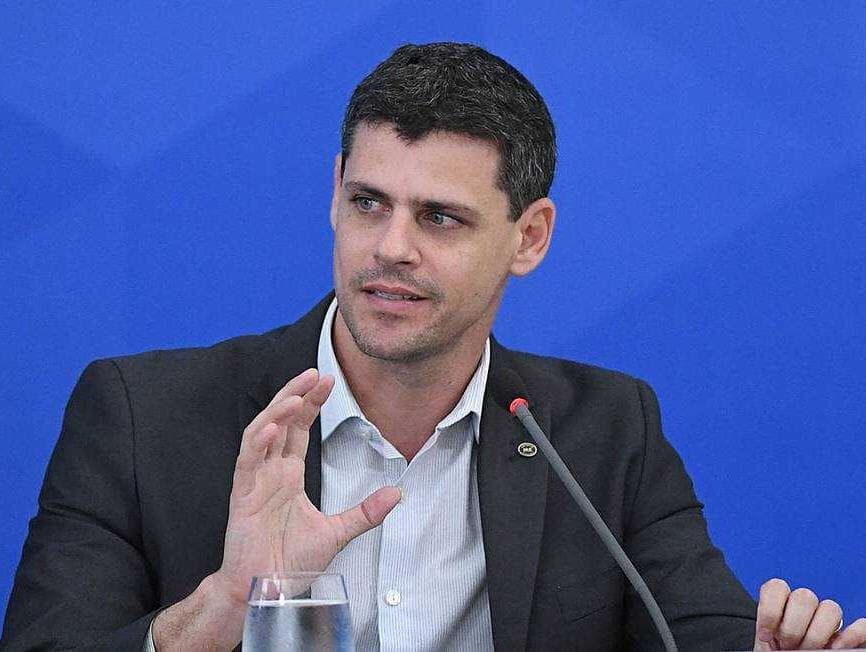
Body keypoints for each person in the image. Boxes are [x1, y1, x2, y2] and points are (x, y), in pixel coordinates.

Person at [2, 42, 864, 652]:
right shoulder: (142, 416)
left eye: (440, 218)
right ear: (334, 193)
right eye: (369, 203)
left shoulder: (605, 435)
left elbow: (702, 633)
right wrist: (222, 608)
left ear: (529, 237)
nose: (391, 248)